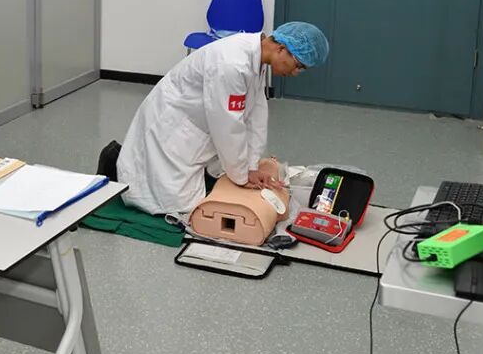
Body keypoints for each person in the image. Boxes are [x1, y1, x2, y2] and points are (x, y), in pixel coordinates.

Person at [114, 22, 330, 215]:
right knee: (178, 204)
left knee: (212, 178)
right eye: (298, 65)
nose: (295, 73)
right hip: (172, 120)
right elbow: (229, 125)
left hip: (200, 120)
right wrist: (242, 176)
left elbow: (256, 114)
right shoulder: (232, 64)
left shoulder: (257, 58)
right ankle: (115, 161)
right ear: (281, 49)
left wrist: (251, 166)